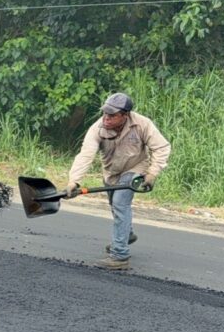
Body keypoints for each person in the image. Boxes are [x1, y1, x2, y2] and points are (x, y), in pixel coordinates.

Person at [63, 93, 171, 270]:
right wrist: (73, 181)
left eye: (112, 115)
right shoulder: (97, 128)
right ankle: (126, 235)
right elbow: (85, 155)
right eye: (105, 113)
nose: (106, 118)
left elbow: (162, 147)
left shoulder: (142, 124)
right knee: (115, 205)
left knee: (120, 203)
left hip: (135, 168)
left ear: (125, 115)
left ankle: (119, 256)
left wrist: (152, 173)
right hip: (111, 172)